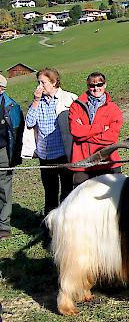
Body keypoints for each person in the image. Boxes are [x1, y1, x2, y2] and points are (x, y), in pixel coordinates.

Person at [22, 68, 78, 216]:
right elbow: (29, 122)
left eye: (43, 82)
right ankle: (49, 225)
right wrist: (35, 101)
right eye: (38, 82)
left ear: (53, 82)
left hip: (63, 153)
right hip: (45, 155)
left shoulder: (69, 98)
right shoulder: (37, 102)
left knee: (67, 190)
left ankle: (66, 220)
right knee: (50, 192)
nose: (39, 86)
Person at [68, 72, 123, 187]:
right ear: (87, 86)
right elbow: (76, 132)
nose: (96, 88)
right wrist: (101, 128)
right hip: (83, 164)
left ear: (105, 85)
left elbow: (111, 138)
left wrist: (85, 135)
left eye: (99, 84)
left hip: (107, 163)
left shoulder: (113, 109)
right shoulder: (76, 106)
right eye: (92, 85)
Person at [0, 74, 24, 240]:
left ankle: (4, 226)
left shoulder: (11, 107)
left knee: (3, 188)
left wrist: (15, 156)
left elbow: (17, 132)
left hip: (2, 151)